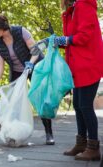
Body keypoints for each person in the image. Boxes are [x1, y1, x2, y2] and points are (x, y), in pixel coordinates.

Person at [0, 13, 55, 145]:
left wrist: (30, 64)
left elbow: (35, 50)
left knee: (40, 99)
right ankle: (14, 133)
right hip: (17, 72)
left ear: (1, 27)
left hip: (34, 66)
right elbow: (0, 67)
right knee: (13, 102)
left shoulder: (21, 31)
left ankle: (49, 133)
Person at [49, 0, 103, 161]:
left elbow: (84, 36)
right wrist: (59, 41)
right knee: (78, 105)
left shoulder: (84, 6)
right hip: (79, 65)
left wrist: (64, 40)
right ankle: (81, 143)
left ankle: (93, 148)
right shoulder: (74, 9)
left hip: (89, 64)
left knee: (85, 106)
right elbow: (74, 39)